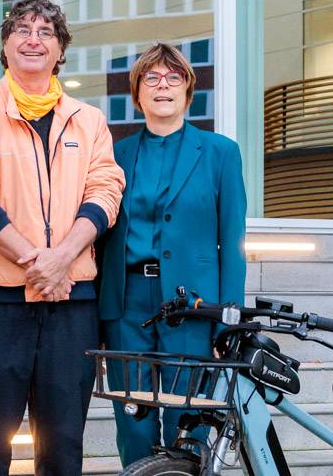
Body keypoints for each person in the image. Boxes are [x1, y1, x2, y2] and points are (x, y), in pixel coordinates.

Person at [0, 0, 125, 476]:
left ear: (60, 49)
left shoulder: (88, 120)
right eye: (22, 30)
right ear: (5, 45)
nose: (33, 39)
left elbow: (106, 189)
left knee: (63, 443)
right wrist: (40, 263)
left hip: (72, 304)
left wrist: (63, 258)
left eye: (46, 32)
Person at [99, 42, 247, 467]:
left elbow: (233, 242)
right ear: (137, 93)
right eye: (151, 78)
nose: (162, 86)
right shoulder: (116, 153)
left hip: (194, 305)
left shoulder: (221, 152)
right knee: (133, 419)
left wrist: (228, 319)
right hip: (127, 305)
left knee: (191, 417)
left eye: (174, 78)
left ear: (188, 91)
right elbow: (102, 236)